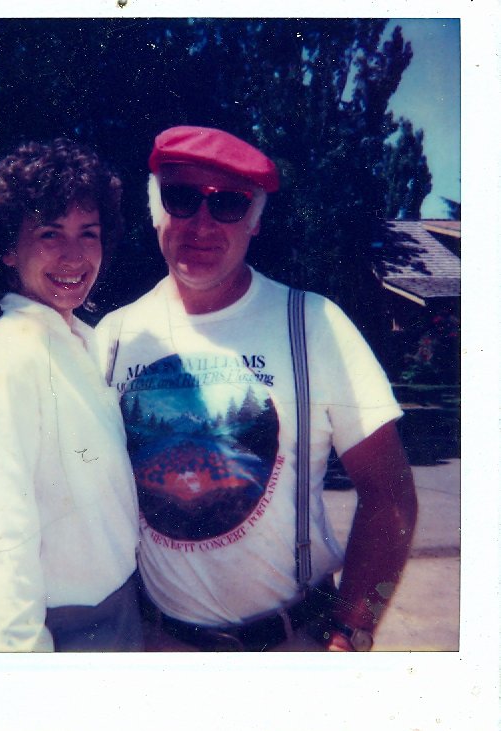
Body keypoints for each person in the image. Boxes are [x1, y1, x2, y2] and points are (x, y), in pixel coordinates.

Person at [96, 125, 417, 651]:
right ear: (155, 210)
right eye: (181, 198)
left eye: (227, 204)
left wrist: (351, 635)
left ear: (256, 221)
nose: (201, 223)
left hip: (293, 647)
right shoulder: (114, 337)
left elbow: (391, 495)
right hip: (158, 650)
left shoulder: (314, 325)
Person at [0, 139, 142, 652]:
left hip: (119, 612)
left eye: (88, 234)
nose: (74, 255)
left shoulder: (80, 342)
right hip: (57, 629)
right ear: (8, 247)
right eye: (50, 233)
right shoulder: (5, 359)